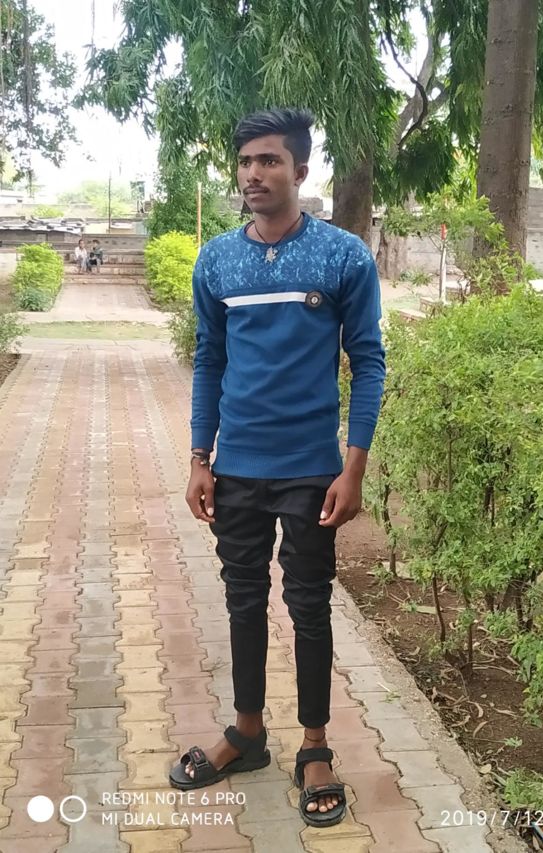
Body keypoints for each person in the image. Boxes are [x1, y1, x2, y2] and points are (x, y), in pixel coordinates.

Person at [168, 108, 386, 828]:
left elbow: (368, 361)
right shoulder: (217, 262)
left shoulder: (341, 257)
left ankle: (315, 746)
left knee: (309, 604)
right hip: (236, 468)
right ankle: (248, 732)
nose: (254, 174)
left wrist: (353, 468)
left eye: (269, 160)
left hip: (310, 470)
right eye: (245, 161)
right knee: (241, 598)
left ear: (300, 169)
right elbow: (211, 361)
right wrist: (200, 457)